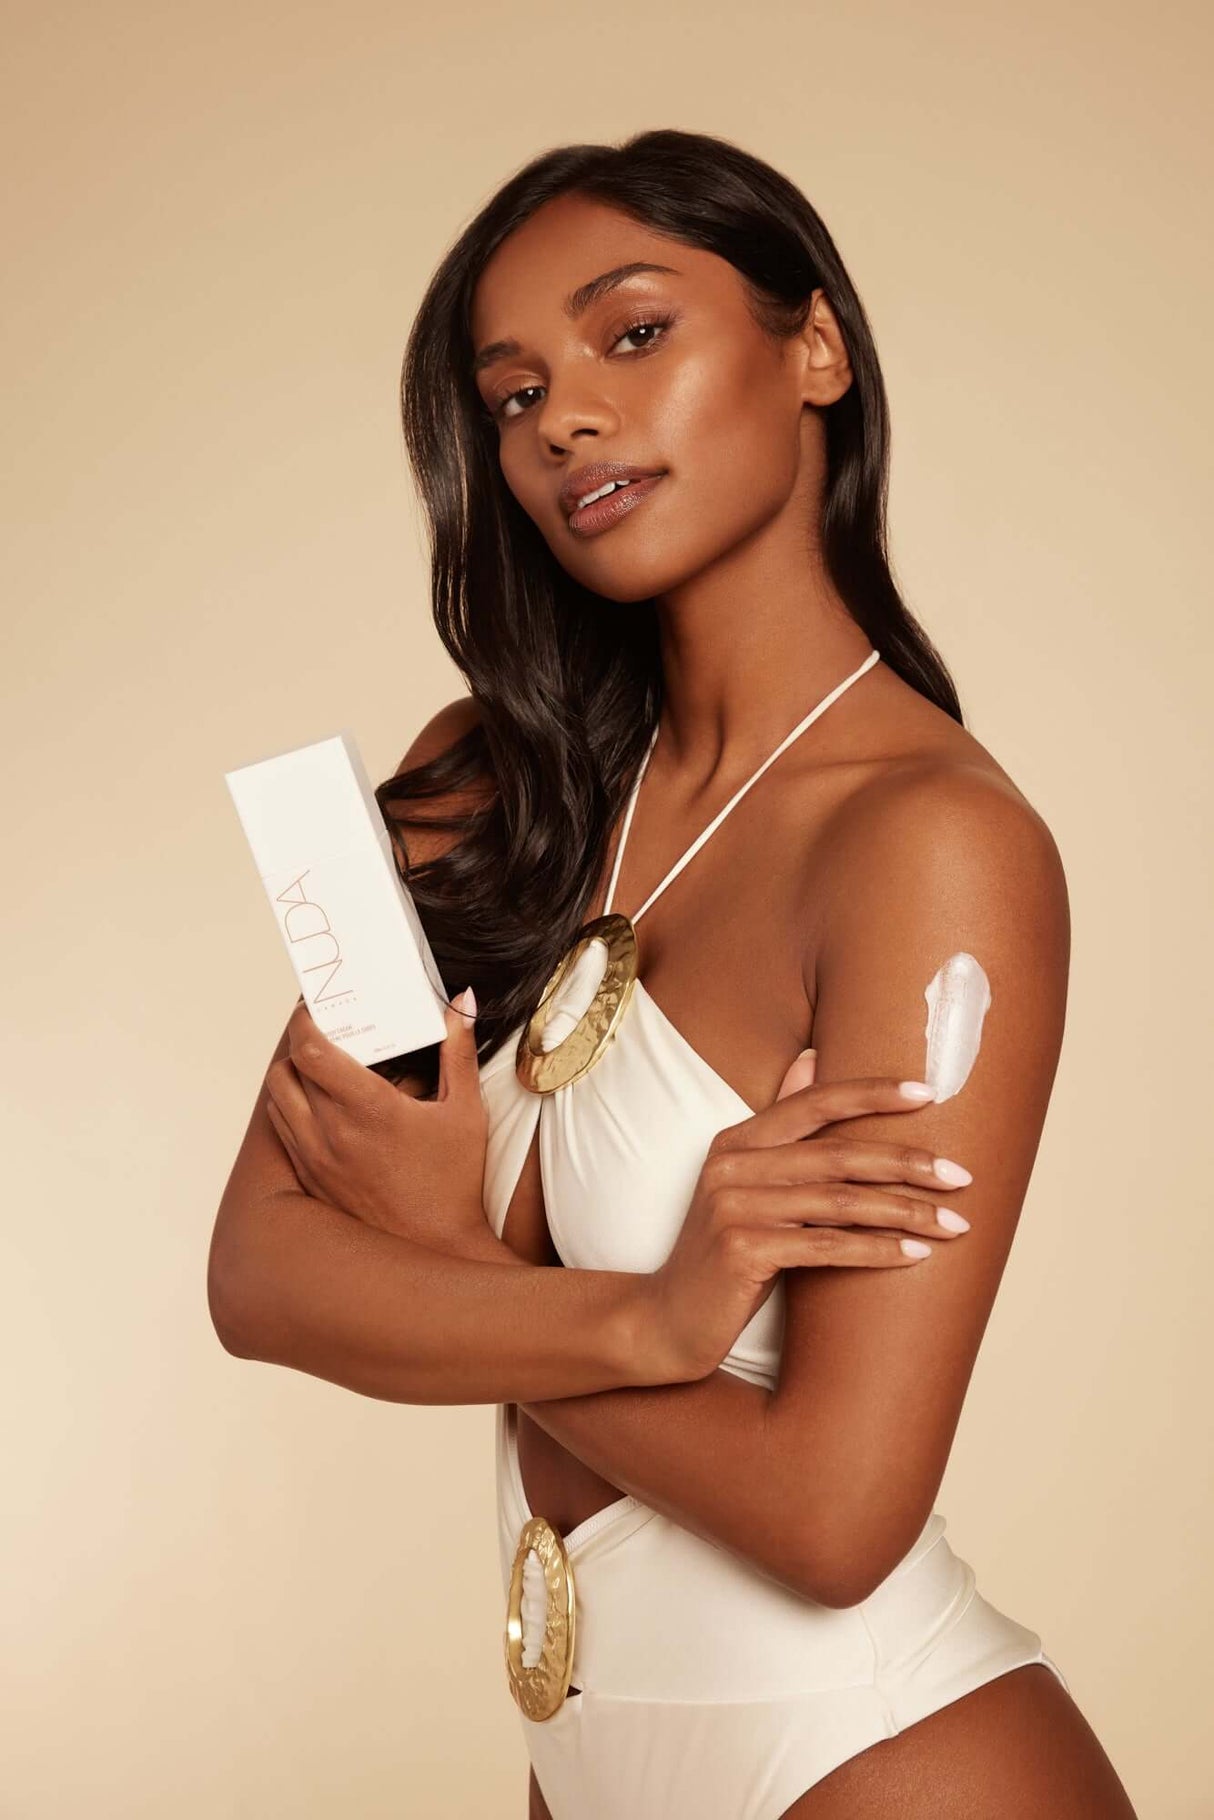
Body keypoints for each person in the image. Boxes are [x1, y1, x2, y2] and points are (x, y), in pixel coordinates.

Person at [208, 130, 1137, 1817]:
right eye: (509, 394)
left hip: (872, 1759)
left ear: (815, 350)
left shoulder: (926, 844)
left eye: (632, 335)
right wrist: (642, 1311)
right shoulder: (484, 785)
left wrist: (445, 1252)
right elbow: (259, 1276)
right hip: (585, 1768)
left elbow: (833, 1512)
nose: (562, 418)